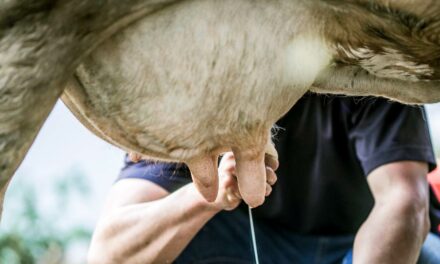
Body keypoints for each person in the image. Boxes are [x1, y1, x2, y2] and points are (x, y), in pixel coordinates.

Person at [88, 93, 440, 264]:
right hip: (243, 245)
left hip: (356, 248)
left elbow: (404, 202)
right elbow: (109, 253)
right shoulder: (191, 95)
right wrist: (207, 195)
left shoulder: (370, 67)